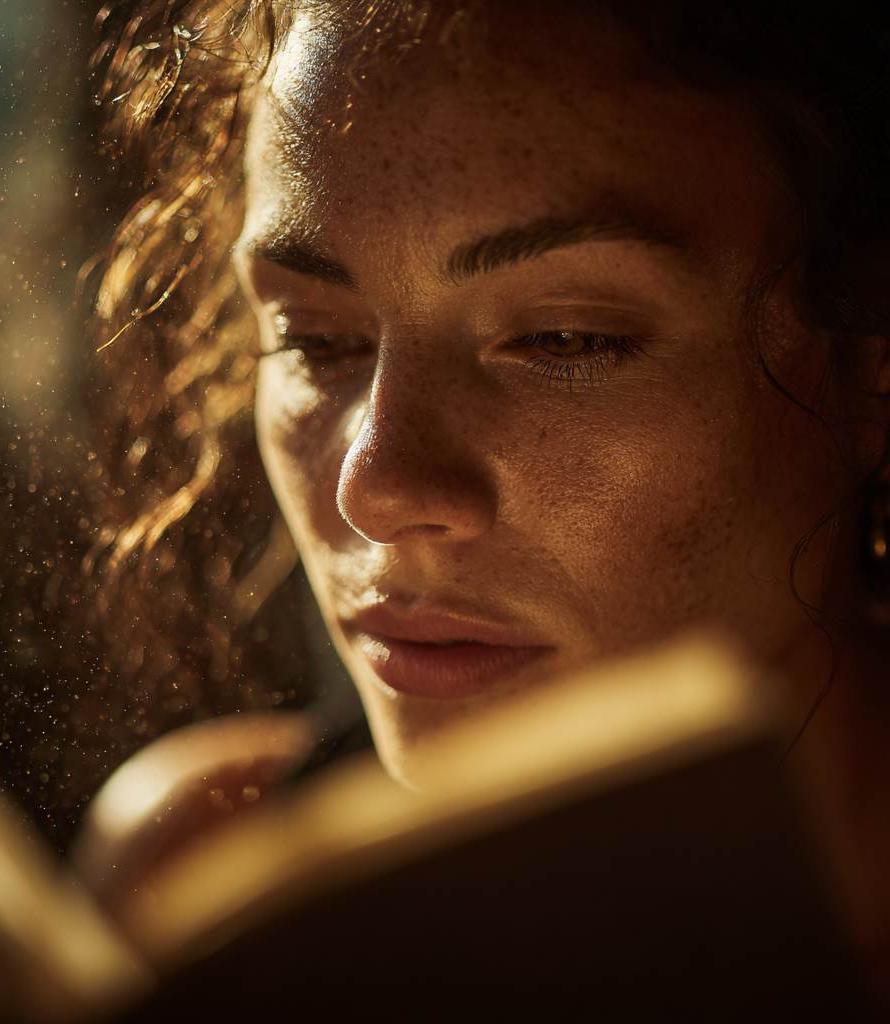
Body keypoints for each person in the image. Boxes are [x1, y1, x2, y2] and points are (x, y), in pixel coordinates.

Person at [84, 0, 890, 994]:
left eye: (565, 338)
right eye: (316, 340)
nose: (374, 488)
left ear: (866, 370)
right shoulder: (198, 876)